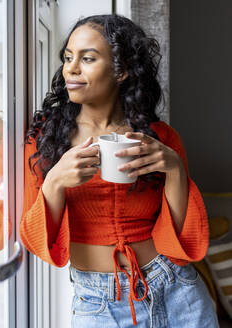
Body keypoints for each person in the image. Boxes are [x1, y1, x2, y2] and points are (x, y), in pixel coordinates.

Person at [19, 14, 219, 327]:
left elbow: (183, 243)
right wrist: (55, 182)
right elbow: (36, 242)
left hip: (176, 289)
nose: (71, 69)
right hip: (99, 303)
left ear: (122, 70)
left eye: (87, 58)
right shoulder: (45, 139)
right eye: (68, 58)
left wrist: (175, 171)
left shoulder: (160, 138)